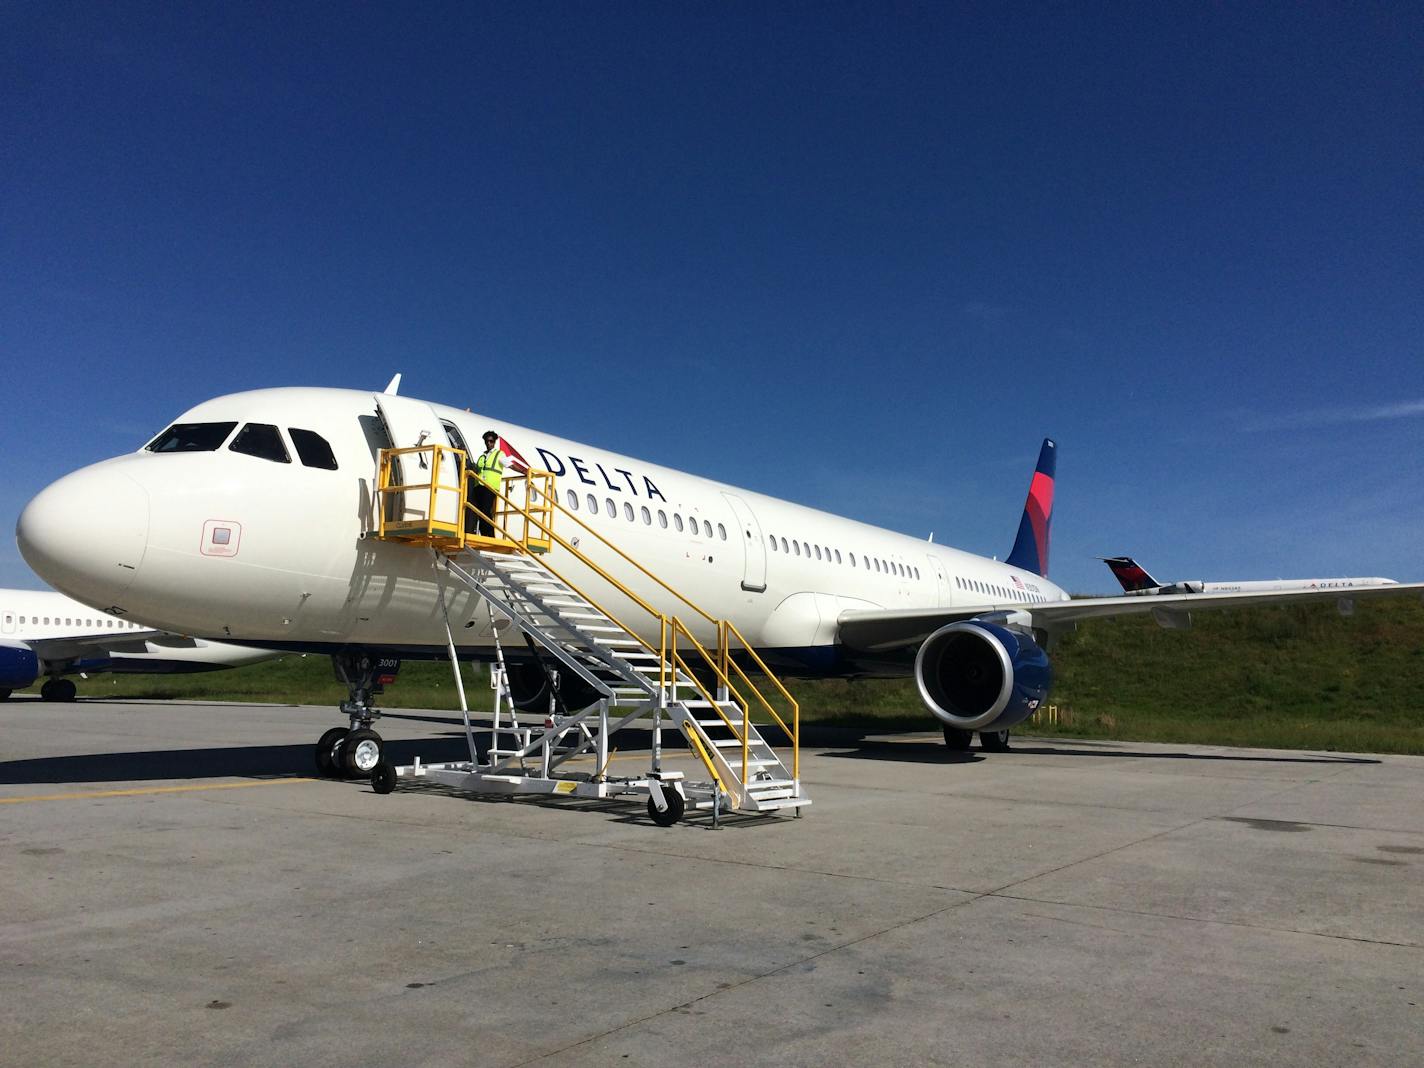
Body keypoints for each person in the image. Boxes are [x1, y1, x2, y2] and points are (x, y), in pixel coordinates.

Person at [470, 430, 505, 537]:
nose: (489, 443)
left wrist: (524, 471)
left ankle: (490, 535)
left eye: (491, 441)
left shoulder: (499, 454)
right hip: (479, 486)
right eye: (487, 441)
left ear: (494, 442)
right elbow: (477, 468)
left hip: (490, 487)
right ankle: (483, 533)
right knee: (478, 512)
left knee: (485, 511)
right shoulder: (482, 456)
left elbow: (509, 464)